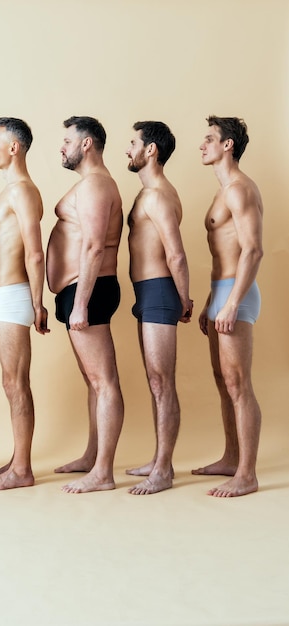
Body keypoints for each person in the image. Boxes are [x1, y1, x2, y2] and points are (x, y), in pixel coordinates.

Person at [47, 116, 124, 493]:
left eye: (67, 141)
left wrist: (80, 304)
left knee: (104, 382)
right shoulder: (88, 185)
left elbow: (94, 246)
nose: (62, 147)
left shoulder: (96, 185)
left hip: (88, 291)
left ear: (87, 144)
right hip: (77, 291)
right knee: (92, 383)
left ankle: (104, 472)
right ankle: (93, 456)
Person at [192, 115, 263, 497]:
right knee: (223, 381)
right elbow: (223, 255)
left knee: (238, 384)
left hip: (237, 294)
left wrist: (233, 302)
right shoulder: (222, 191)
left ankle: (247, 475)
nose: (202, 145)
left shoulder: (239, 189)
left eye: (209, 139)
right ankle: (231, 458)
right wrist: (211, 302)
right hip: (221, 293)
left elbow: (253, 249)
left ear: (227, 145)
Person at [0, 117, 49, 491]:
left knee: (15, 382)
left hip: (16, 294)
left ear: (14, 147)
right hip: (4, 296)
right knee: (11, 382)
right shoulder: (11, 191)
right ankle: (16, 458)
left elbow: (35, 253)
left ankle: (22, 469)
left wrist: (38, 303)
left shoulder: (22, 191)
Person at [125, 121, 193, 495]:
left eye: (133, 143)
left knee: (161, 381)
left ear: (151, 150)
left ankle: (164, 470)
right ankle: (158, 458)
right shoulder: (149, 194)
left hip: (160, 291)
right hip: (146, 291)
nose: (128, 149)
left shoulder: (159, 196)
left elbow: (176, 254)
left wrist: (183, 299)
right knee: (156, 382)